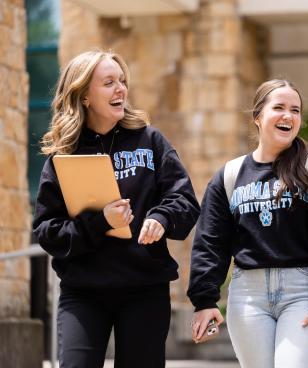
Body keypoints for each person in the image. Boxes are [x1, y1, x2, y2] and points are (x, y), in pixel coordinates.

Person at [32, 50, 200, 368]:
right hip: (83, 292)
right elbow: (46, 232)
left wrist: (161, 218)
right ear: (83, 96)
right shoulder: (64, 156)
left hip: (144, 289)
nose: (120, 89)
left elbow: (186, 201)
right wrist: (99, 223)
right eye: (109, 83)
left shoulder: (151, 141)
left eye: (122, 81)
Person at [187, 79, 308, 368]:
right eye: (279, 108)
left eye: (295, 110)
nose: (289, 116)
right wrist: (205, 300)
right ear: (258, 117)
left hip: (302, 293)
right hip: (248, 295)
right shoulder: (230, 175)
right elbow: (210, 242)